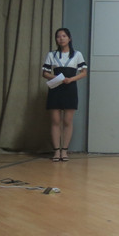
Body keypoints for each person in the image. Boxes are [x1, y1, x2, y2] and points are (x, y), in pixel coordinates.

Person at [41, 28, 88, 162]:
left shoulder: (77, 54)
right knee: (55, 121)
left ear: (69, 38)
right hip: (55, 88)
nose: (61, 38)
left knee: (67, 121)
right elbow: (45, 73)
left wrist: (71, 79)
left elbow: (84, 72)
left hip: (70, 88)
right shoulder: (52, 54)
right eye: (58, 36)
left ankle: (64, 151)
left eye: (64, 36)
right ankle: (56, 151)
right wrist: (57, 78)